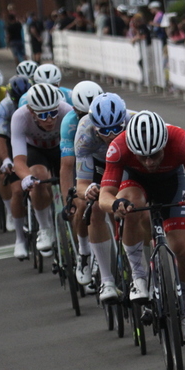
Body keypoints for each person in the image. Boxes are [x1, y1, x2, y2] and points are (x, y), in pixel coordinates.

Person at [98, 111, 185, 342]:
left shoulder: (180, 141)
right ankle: (139, 276)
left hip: (172, 183)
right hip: (134, 183)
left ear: (165, 143)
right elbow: (105, 195)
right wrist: (116, 204)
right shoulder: (118, 146)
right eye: (142, 156)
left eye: (155, 155)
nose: (149, 162)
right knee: (131, 204)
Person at [71, 92, 133, 299]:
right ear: (94, 126)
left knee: (134, 203)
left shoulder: (134, 122)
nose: (111, 135)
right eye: (104, 131)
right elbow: (81, 184)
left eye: (117, 128)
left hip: (128, 162)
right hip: (100, 166)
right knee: (94, 207)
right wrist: (89, 191)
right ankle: (106, 280)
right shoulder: (84, 133)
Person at [11, 84, 73, 253]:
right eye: (43, 115)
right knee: (37, 179)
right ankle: (45, 228)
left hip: (61, 147)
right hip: (35, 150)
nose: (50, 119)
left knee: (73, 185)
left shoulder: (67, 111)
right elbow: (18, 160)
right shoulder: (20, 117)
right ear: (31, 111)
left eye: (53, 113)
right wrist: (26, 178)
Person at [58, 81, 104, 283]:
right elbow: (67, 165)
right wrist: (69, 199)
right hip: (84, 163)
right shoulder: (69, 122)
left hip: (106, 160)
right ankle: (84, 253)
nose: (88, 121)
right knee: (83, 205)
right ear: (75, 110)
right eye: (82, 115)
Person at [0, 76, 32, 259]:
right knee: (17, 189)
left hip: (31, 141)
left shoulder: (35, 102)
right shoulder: (2, 108)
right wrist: (6, 160)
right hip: (10, 141)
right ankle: (20, 239)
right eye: (17, 99)